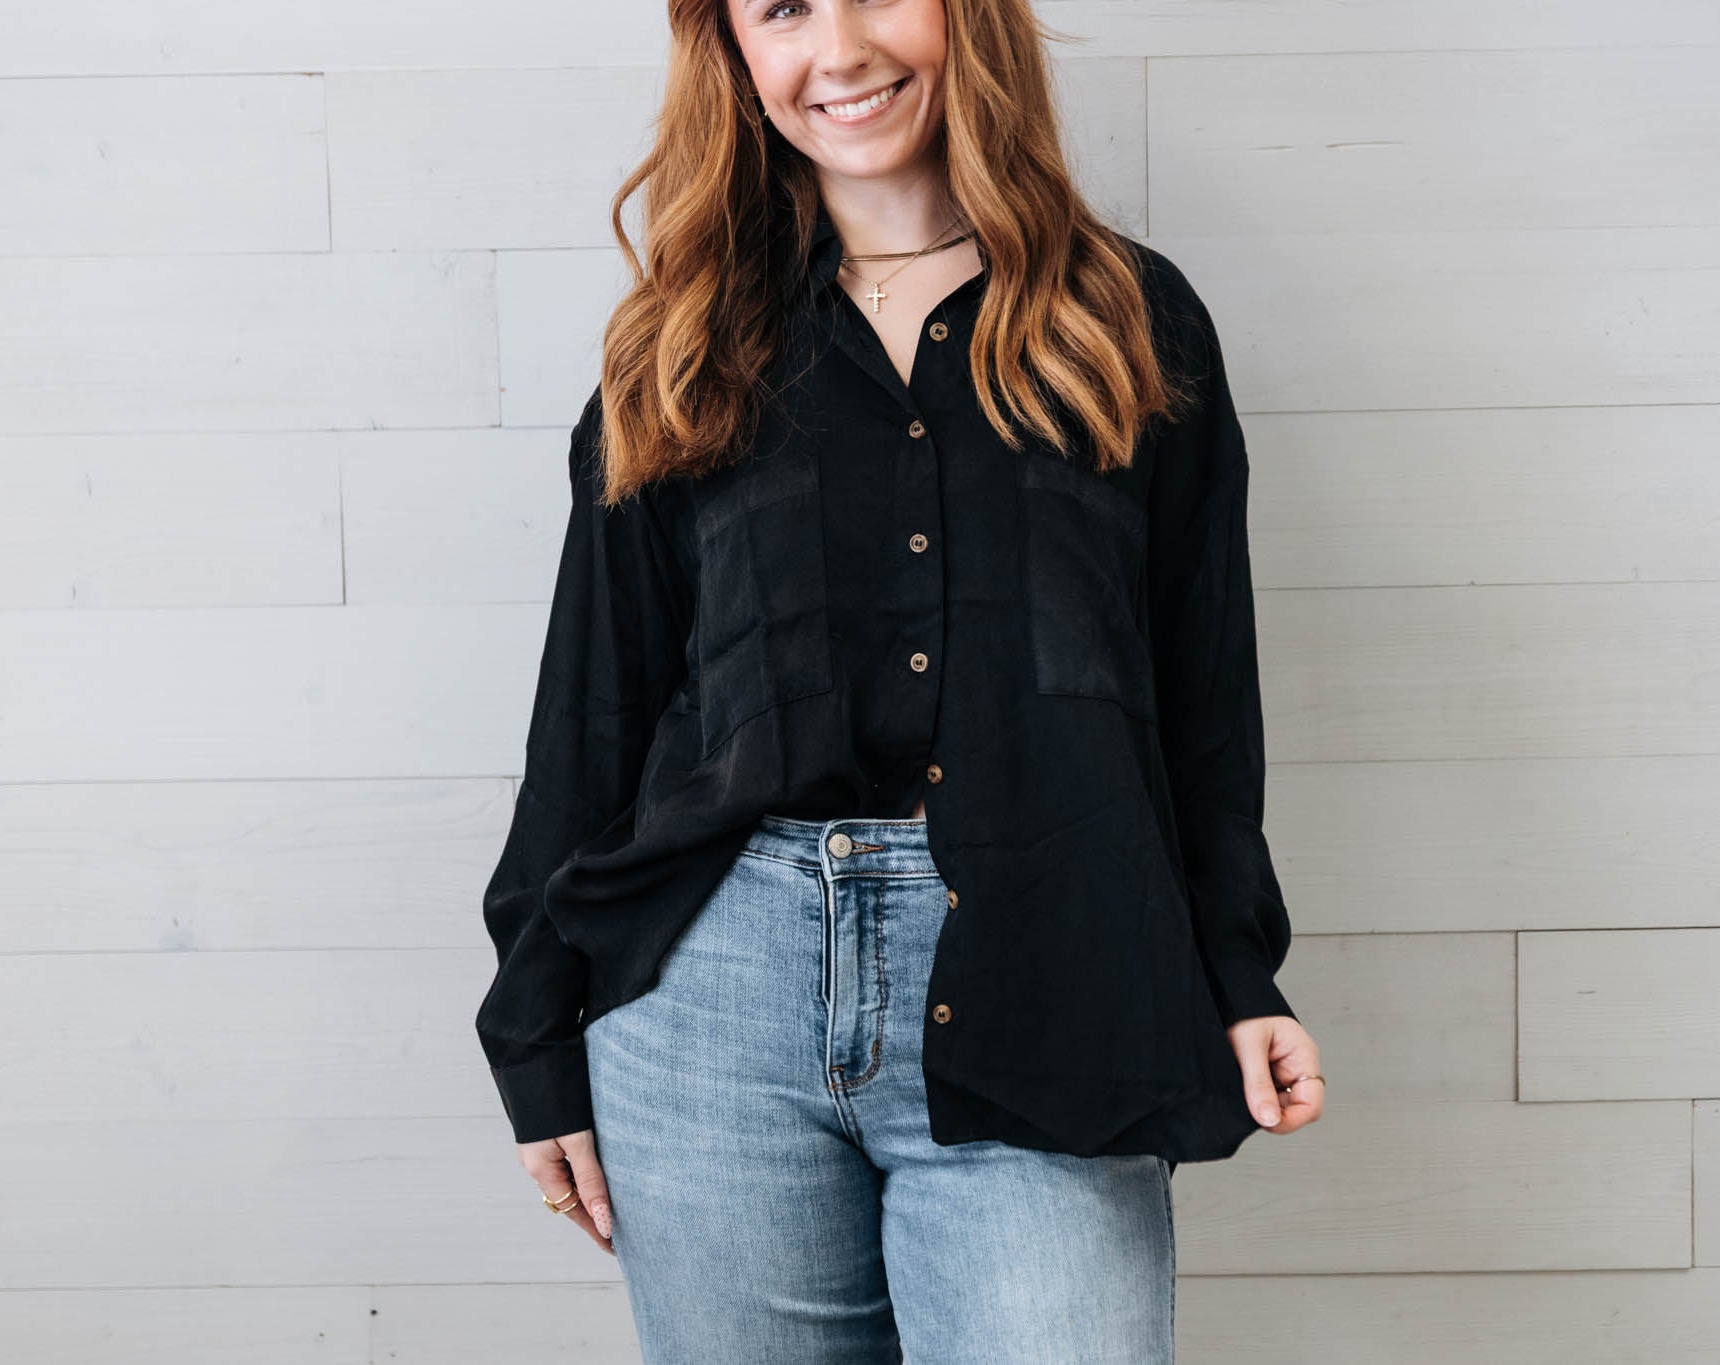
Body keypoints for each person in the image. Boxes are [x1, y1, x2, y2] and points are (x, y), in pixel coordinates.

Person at [475, 0, 1327, 1358]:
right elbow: (592, 711)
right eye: (784, 9)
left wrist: (1238, 969)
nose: (842, 50)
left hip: (1049, 967)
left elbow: (1200, 692)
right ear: (734, 51)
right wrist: (534, 1038)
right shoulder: (684, 342)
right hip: (711, 1009)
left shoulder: (1124, 316)